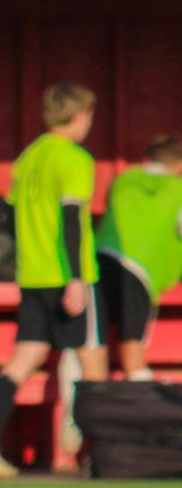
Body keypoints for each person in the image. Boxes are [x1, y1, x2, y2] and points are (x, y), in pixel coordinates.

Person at [0, 83, 107, 478]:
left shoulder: (28, 158)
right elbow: (72, 220)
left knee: (23, 360)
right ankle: (99, 455)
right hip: (68, 274)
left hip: (33, 275)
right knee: (93, 361)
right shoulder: (74, 158)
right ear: (80, 116)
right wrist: (77, 278)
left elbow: (11, 218)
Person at [96, 132, 182, 381]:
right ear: (178, 165)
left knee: (92, 344)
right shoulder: (177, 189)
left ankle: (83, 409)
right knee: (132, 344)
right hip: (140, 272)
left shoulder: (123, 180)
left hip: (99, 263)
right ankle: (141, 405)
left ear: (147, 158)